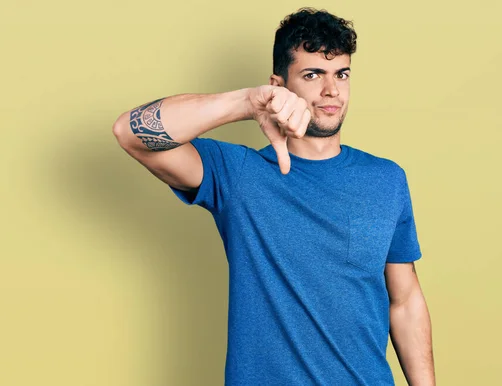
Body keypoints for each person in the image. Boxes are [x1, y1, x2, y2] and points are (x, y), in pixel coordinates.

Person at [112, 7, 435, 386]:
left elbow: (405, 299)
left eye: (341, 74)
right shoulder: (237, 173)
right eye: (313, 74)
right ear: (278, 84)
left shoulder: (387, 179)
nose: (331, 91)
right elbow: (130, 133)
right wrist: (247, 103)